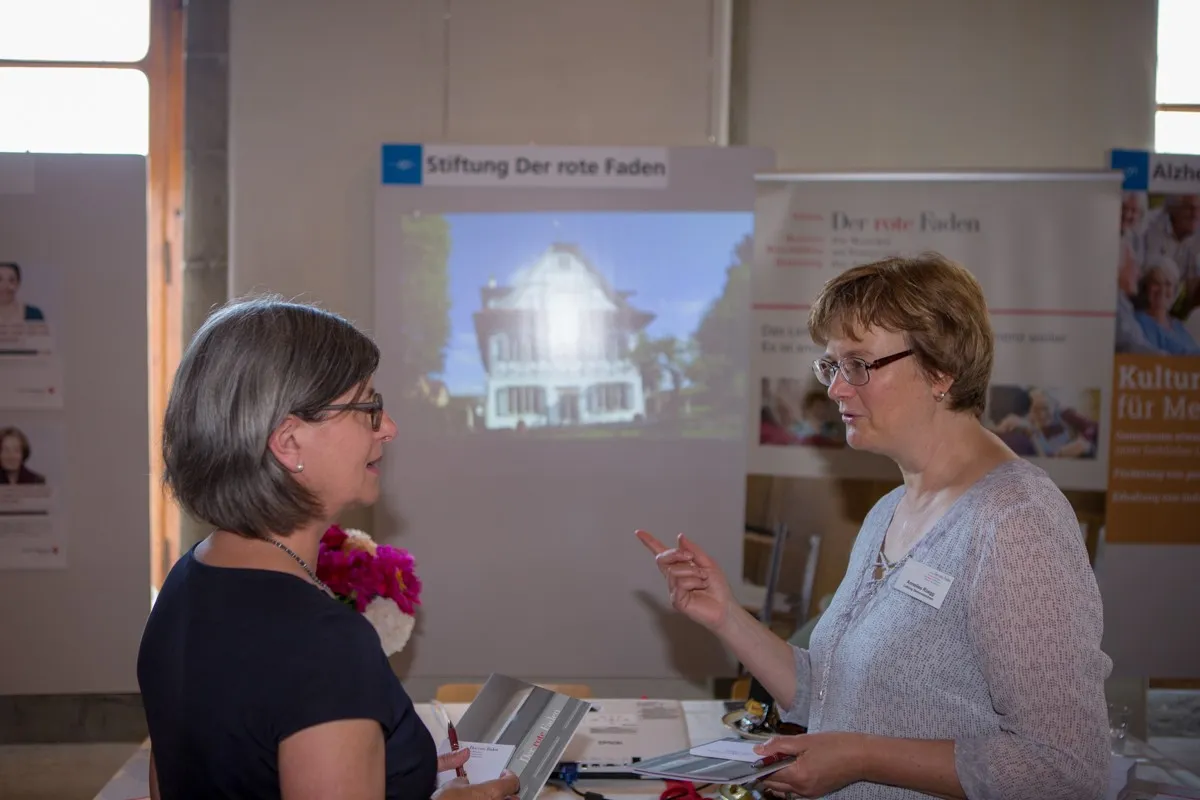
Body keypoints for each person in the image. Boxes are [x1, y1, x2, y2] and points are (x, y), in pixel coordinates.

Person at [639, 253, 1110, 800]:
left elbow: (1064, 769)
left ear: (941, 371)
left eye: (859, 364)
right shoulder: (890, 510)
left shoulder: (1015, 522)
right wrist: (726, 615)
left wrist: (861, 758)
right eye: (831, 366)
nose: (836, 389)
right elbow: (833, 695)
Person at [138, 296, 520, 800]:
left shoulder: (188, 580)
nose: (389, 428)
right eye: (368, 408)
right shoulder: (321, 641)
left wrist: (389, 771)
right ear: (289, 442)